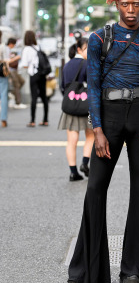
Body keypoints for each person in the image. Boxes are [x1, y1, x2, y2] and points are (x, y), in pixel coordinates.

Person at [68, 0, 139, 283]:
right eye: (125, 3)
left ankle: (135, 271)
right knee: (95, 187)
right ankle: (87, 273)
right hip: (107, 118)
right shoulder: (99, 39)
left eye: (137, 4)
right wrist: (96, 129)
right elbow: (93, 86)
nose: (131, 9)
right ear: (116, 4)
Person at [58, 37, 94, 181]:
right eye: (87, 48)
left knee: (71, 140)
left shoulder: (66, 65)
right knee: (91, 136)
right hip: (86, 106)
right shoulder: (87, 64)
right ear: (79, 49)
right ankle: (85, 163)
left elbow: (62, 87)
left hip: (70, 107)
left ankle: (73, 172)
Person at [19, 30, 49, 127]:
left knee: (34, 97)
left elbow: (24, 64)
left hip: (34, 75)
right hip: (42, 74)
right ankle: (45, 120)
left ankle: (32, 120)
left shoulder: (27, 49)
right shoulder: (38, 47)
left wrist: (30, 66)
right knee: (44, 97)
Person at [4, 38, 26, 109]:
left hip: (14, 69)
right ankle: (18, 102)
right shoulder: (5, 49)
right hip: (10, 69)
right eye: (14, 44)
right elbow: (6, 61)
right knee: (16, 84)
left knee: (22, 81)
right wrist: (16, 58)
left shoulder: (9, 49)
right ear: (11, 43)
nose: (14, 46)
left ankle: (12, 93)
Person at [0, 30, 9, 127]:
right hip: (1, 72)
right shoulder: (3, 47)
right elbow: (6, 60)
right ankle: (3, 119)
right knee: (3, 95)